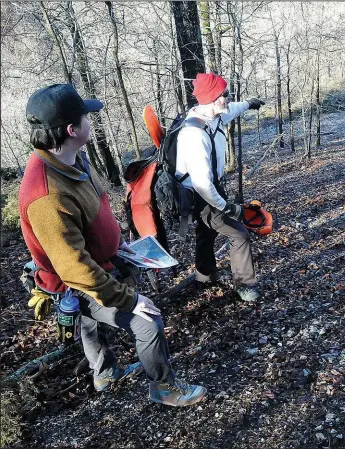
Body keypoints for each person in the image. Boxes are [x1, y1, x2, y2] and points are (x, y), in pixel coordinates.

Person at [19, 83, 206, 406]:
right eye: (86, 117)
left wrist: (117, 245)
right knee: (147, 320)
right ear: (70, 129)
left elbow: (94, 214)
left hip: (100, 262)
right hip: (76, 279)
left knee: (91, 324)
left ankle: (104, 372)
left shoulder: (74, 159)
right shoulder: (46, 195)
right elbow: (74, 269)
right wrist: (128, 299)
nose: (92, 121)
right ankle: (163, 387)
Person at [176, 73, 265, 302]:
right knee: (239, 234)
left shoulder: (214, 117)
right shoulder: (195, 134)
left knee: (206, 231)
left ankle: (204, 275)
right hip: (199, 195)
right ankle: (245, 286)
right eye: (225, 94)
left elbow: (231, 109)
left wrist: (249, 104)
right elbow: (202, 184)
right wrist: (227, 207)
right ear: (214, 99)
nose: (228, 97)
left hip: (210, 189)